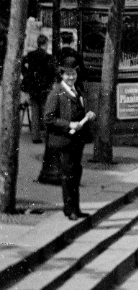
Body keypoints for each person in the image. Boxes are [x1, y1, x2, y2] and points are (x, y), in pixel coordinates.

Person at [43, 57, 95, 218]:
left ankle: (76, 208)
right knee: (68, 174)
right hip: (64, 141)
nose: (71, 77)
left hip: (77, 140)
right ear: (62, 75)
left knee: (76, 172)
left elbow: (79, 110)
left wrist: (88, 115)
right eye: (68, 75)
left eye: (73, 74)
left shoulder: (76, 90)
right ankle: (70, 209)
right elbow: (48, 118)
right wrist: (69, 125)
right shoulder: (56, 92)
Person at [21, 34, 56, 143]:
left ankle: (35, 136)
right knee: (45, 110)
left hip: (33, 86)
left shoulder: (30, 55)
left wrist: (27, 74)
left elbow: (22, 65)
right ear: (45, 43)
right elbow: (51, 72)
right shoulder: (48, 57)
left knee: (35, 111)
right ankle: (47, 134)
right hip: (44, 87)